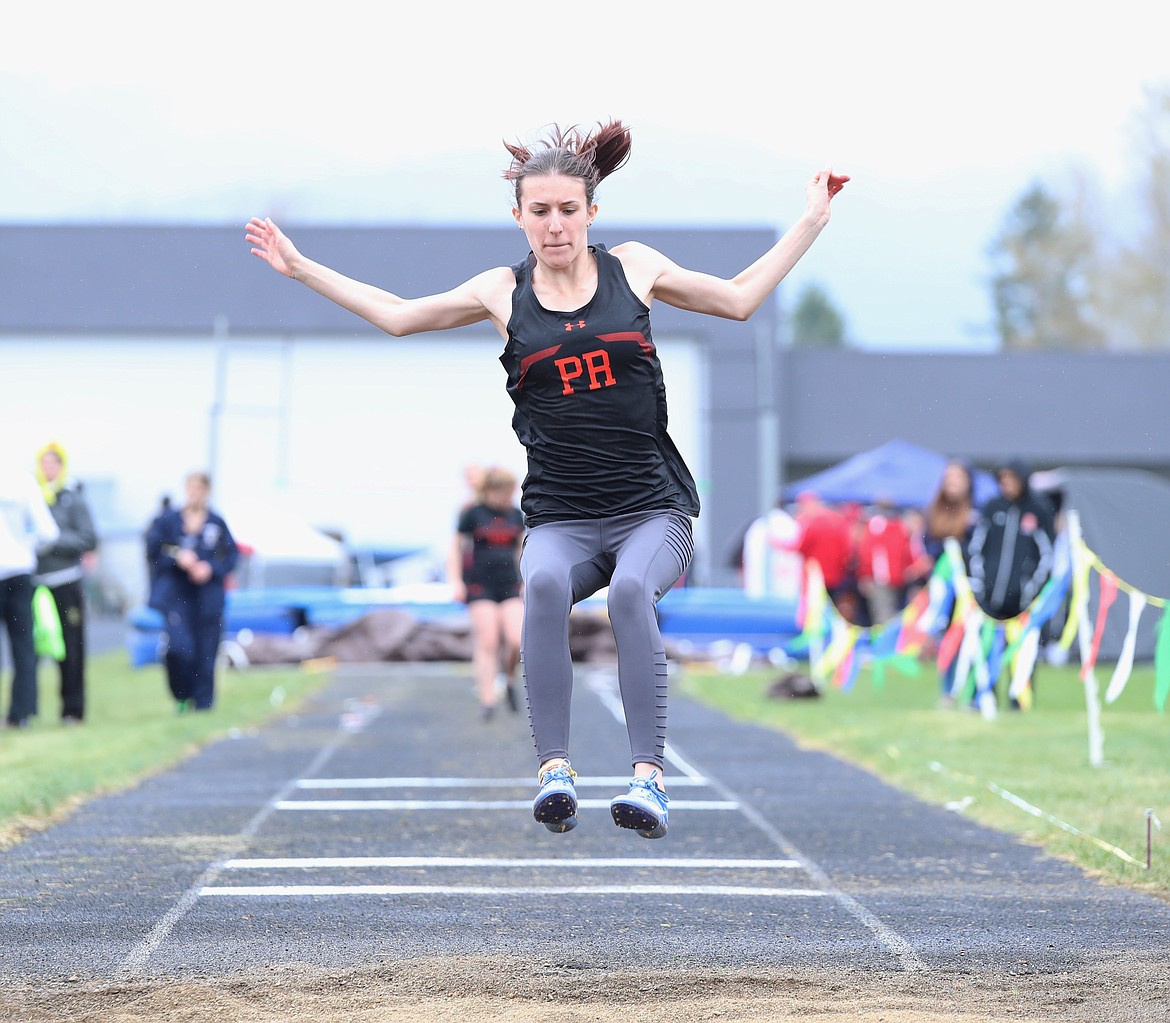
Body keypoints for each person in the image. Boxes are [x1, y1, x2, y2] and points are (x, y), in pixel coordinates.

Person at [246, 120, 847, 839]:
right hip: (561, 517)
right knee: (547, 585)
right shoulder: (503, 292)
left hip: (650, 513)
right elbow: (400, 317)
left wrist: (810, 221)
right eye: (540, 212)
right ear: (519, 217)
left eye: (568, 210)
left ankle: (648, 780)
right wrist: (301, 266)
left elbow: (742, 298)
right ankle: (553, 771)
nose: (555, 225)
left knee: (630, 590)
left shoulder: (635, 269)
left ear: (592, 211)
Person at [145, 472, 239, 712]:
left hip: (207, 597)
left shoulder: (216, 523)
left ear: (206, 491)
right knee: (179, 648)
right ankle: (182, 694)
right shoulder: (169, 521)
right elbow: (154, 550)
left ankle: (203, 705)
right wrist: (179, 557)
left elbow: (231, 556)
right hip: (177, 596)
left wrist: (210, 568)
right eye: (191, 488)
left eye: (199, 488)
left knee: (207, 652)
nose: (194, 493)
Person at [967, 458, 1056, 705]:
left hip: (1022, 599)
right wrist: (980, 583)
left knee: (1021, 649)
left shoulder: (1039, 509)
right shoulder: (992, 507)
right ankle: (983, 697)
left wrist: (1030, 589)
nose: (1007, 484)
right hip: (989, 596)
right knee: (986, 647)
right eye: (1003, 479)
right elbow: (976, 548)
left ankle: (1019, 700)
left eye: (1012, 479)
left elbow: (1047, 555)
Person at [448, 466, 525, 721]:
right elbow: (456, 548)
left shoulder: (516, 514)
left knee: (515, 639)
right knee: (488, 640)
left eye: (509, 492)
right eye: (502, 492)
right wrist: (456, 581)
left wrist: (525, 579)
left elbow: (521, 550)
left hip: (510, 584)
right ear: (489, 491)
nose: (506, 497)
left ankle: (509, 679)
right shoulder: (472, 512)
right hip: (481, 584)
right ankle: (488, 699)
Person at [33, 442, 99, 725]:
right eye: (44, 463)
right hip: (36, 584)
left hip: (66, 582)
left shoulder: (74, 498)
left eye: (53, 464)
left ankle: (72, 710)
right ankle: (24, 711)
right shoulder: (33, 496)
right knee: (31, 649)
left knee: (72, 649)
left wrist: (53, 542)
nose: (48, 469)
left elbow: (88, 539)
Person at [0, 456, 60, 729]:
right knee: (23, 646)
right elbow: (48, 531)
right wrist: (27, 546)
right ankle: (20, 713)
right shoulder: (22, 480)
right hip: (20, 570)